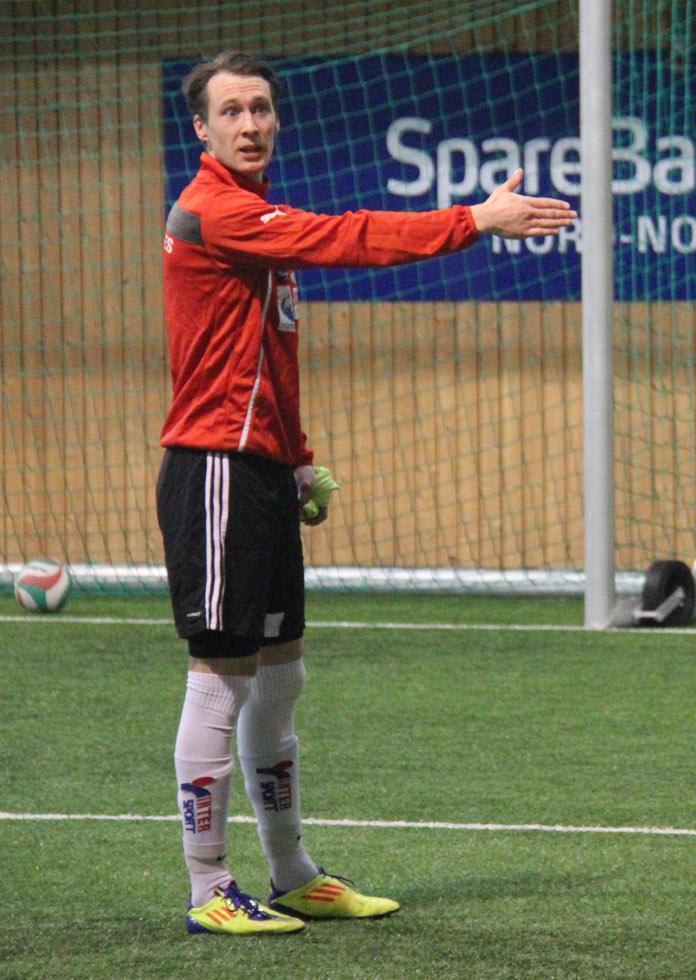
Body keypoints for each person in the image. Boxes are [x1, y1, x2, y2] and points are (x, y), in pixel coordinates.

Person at [160, 51, 575, 936]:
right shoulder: (216, 210)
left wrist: (297, 458)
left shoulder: (254, 218)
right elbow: (345, 238)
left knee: (281, 677)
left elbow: (269, 359)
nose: (249, 124)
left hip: (262, 470)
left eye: (261, 108)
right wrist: (474, 219)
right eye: (231, 111)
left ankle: (292, 872)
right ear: (201, 128)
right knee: (221, 678)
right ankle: (208, 888)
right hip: (215, 470)